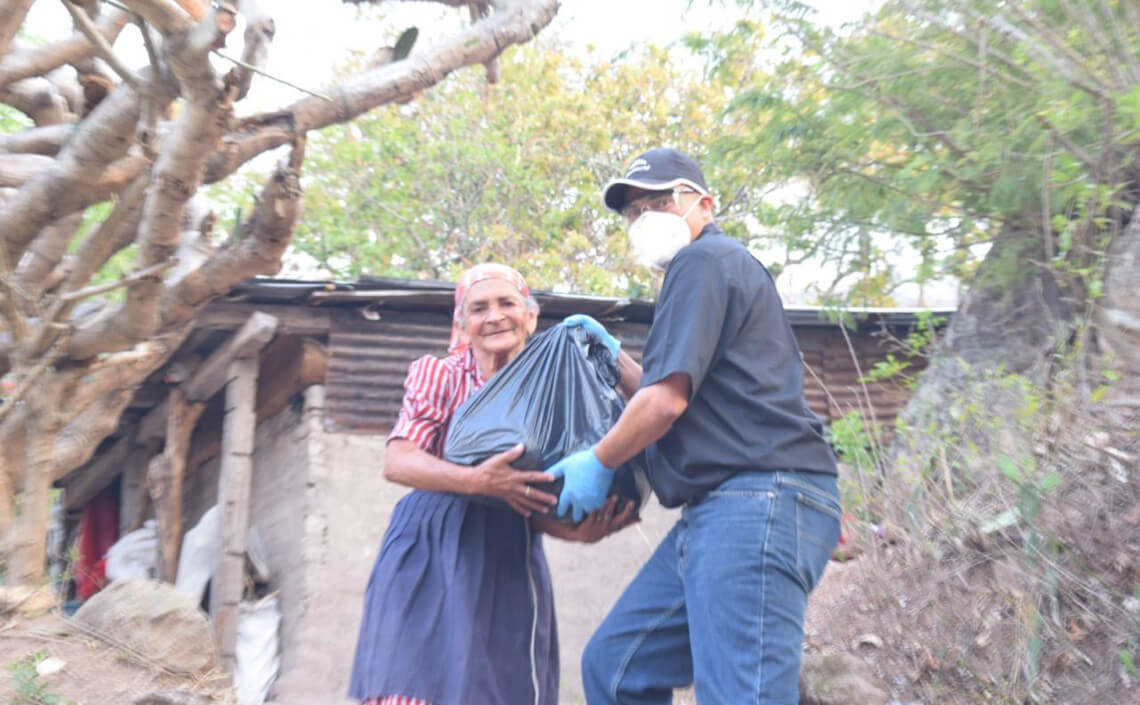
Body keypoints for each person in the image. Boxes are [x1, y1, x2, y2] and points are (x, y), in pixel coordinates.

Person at [552, 148, 843, 704]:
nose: (645, 219)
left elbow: (665, 405)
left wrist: (599, 460)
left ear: (704, 203)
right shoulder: (712, 273)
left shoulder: (703, 262)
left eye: (660, 201)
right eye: (634, 212)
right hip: (729, 508)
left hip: (754, 503)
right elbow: (697, 395)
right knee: (617, 669)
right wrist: (617, 361)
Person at [348, 263, 637, 705]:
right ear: (462, 325)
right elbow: (399, 460)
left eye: (507, 303)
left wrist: (578, 530)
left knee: (500, 688)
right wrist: (475, 480)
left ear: (531, 316)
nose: (494, 316)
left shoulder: (551, 385)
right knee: (411, 680)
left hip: (509, 549)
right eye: (479, 308)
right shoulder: (441, 374)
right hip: (432, 542)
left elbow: (535, 492)